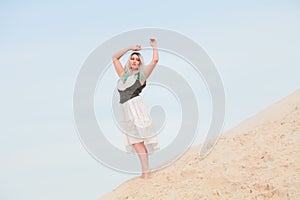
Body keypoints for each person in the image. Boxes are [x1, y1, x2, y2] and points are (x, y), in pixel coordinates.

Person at [112, 38, 160, 179]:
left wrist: (154, 46)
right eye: (132, 59)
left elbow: (155, 61)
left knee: (139, 140)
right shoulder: (123, 75)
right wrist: (130, 47)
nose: (134, 61)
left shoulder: (141, 75)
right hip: (125, 110)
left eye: (137, 59)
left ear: (139, 63)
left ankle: (147, 171)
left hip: (135, 108)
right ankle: (145, 170)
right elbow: (114, 57)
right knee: (135, 143)